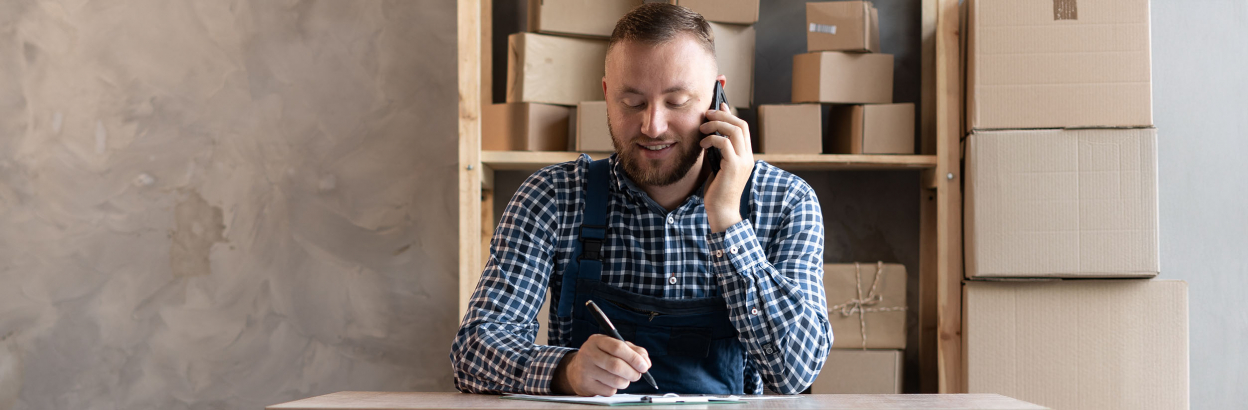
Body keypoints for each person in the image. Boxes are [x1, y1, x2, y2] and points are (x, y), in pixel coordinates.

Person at [450, 3, 831, 396]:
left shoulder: (786, 201)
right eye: (632, 102)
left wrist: (728, 221)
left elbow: (795, 373)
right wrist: (566, 371)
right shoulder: (553, 197)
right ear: (606, 95)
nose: (653, 125)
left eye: (677, 101)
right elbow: (474, 353)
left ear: (718, 97)